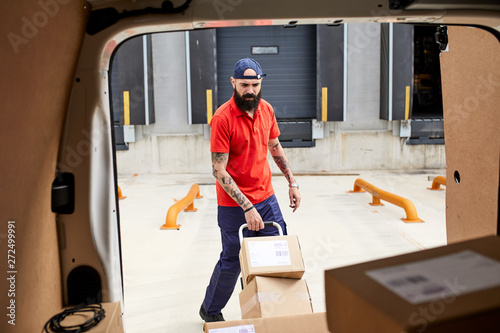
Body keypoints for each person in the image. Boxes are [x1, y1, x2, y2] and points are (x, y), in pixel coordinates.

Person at [199, 58, 301, 322]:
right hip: (234, 206)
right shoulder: (222, 118)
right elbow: (218, 170)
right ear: (233, 83)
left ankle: (273, 310)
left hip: (266, 198)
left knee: (279, 255)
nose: (250, 91)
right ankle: (210, 310)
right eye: (244, 85)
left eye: (255, 85)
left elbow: (275, 146)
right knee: (233, 260)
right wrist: (247, 207)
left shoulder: (266, 109)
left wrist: (292, 181)